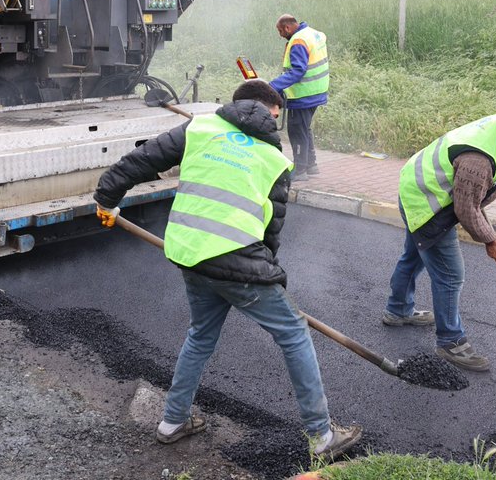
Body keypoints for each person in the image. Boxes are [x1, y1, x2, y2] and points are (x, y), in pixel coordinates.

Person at [93, 79, 363, 460]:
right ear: (270, 111)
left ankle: (173, 421)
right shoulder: (275, 160)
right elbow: (272, 230)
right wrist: (268, 274)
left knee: (201, 334)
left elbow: (143, 159)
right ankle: (322, 436)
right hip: (238, 259)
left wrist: (106, 198)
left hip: (189, 252)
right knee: (293, 332)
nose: (274, 123)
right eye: (276, 116)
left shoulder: (200, 127)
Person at [383, 109, 496, 372]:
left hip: (416, 187)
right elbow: (466, 208)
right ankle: (450, 342)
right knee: (449, 274)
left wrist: (490, 234)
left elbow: (474, 198)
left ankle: (398, 310)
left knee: (414, 255)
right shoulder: (478, 160)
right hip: (426, 202)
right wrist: (491, 241)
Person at [268, 15, 329, 181]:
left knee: (297, 131)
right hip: (317, 90)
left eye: (280, 31)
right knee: (305, 128)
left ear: (287, 28)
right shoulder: (313, 34)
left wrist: (273, 86)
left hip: (303, 94)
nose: (280, 35)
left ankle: (300, 170)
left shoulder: (298, 41)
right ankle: (311, 165)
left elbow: (297, 71)